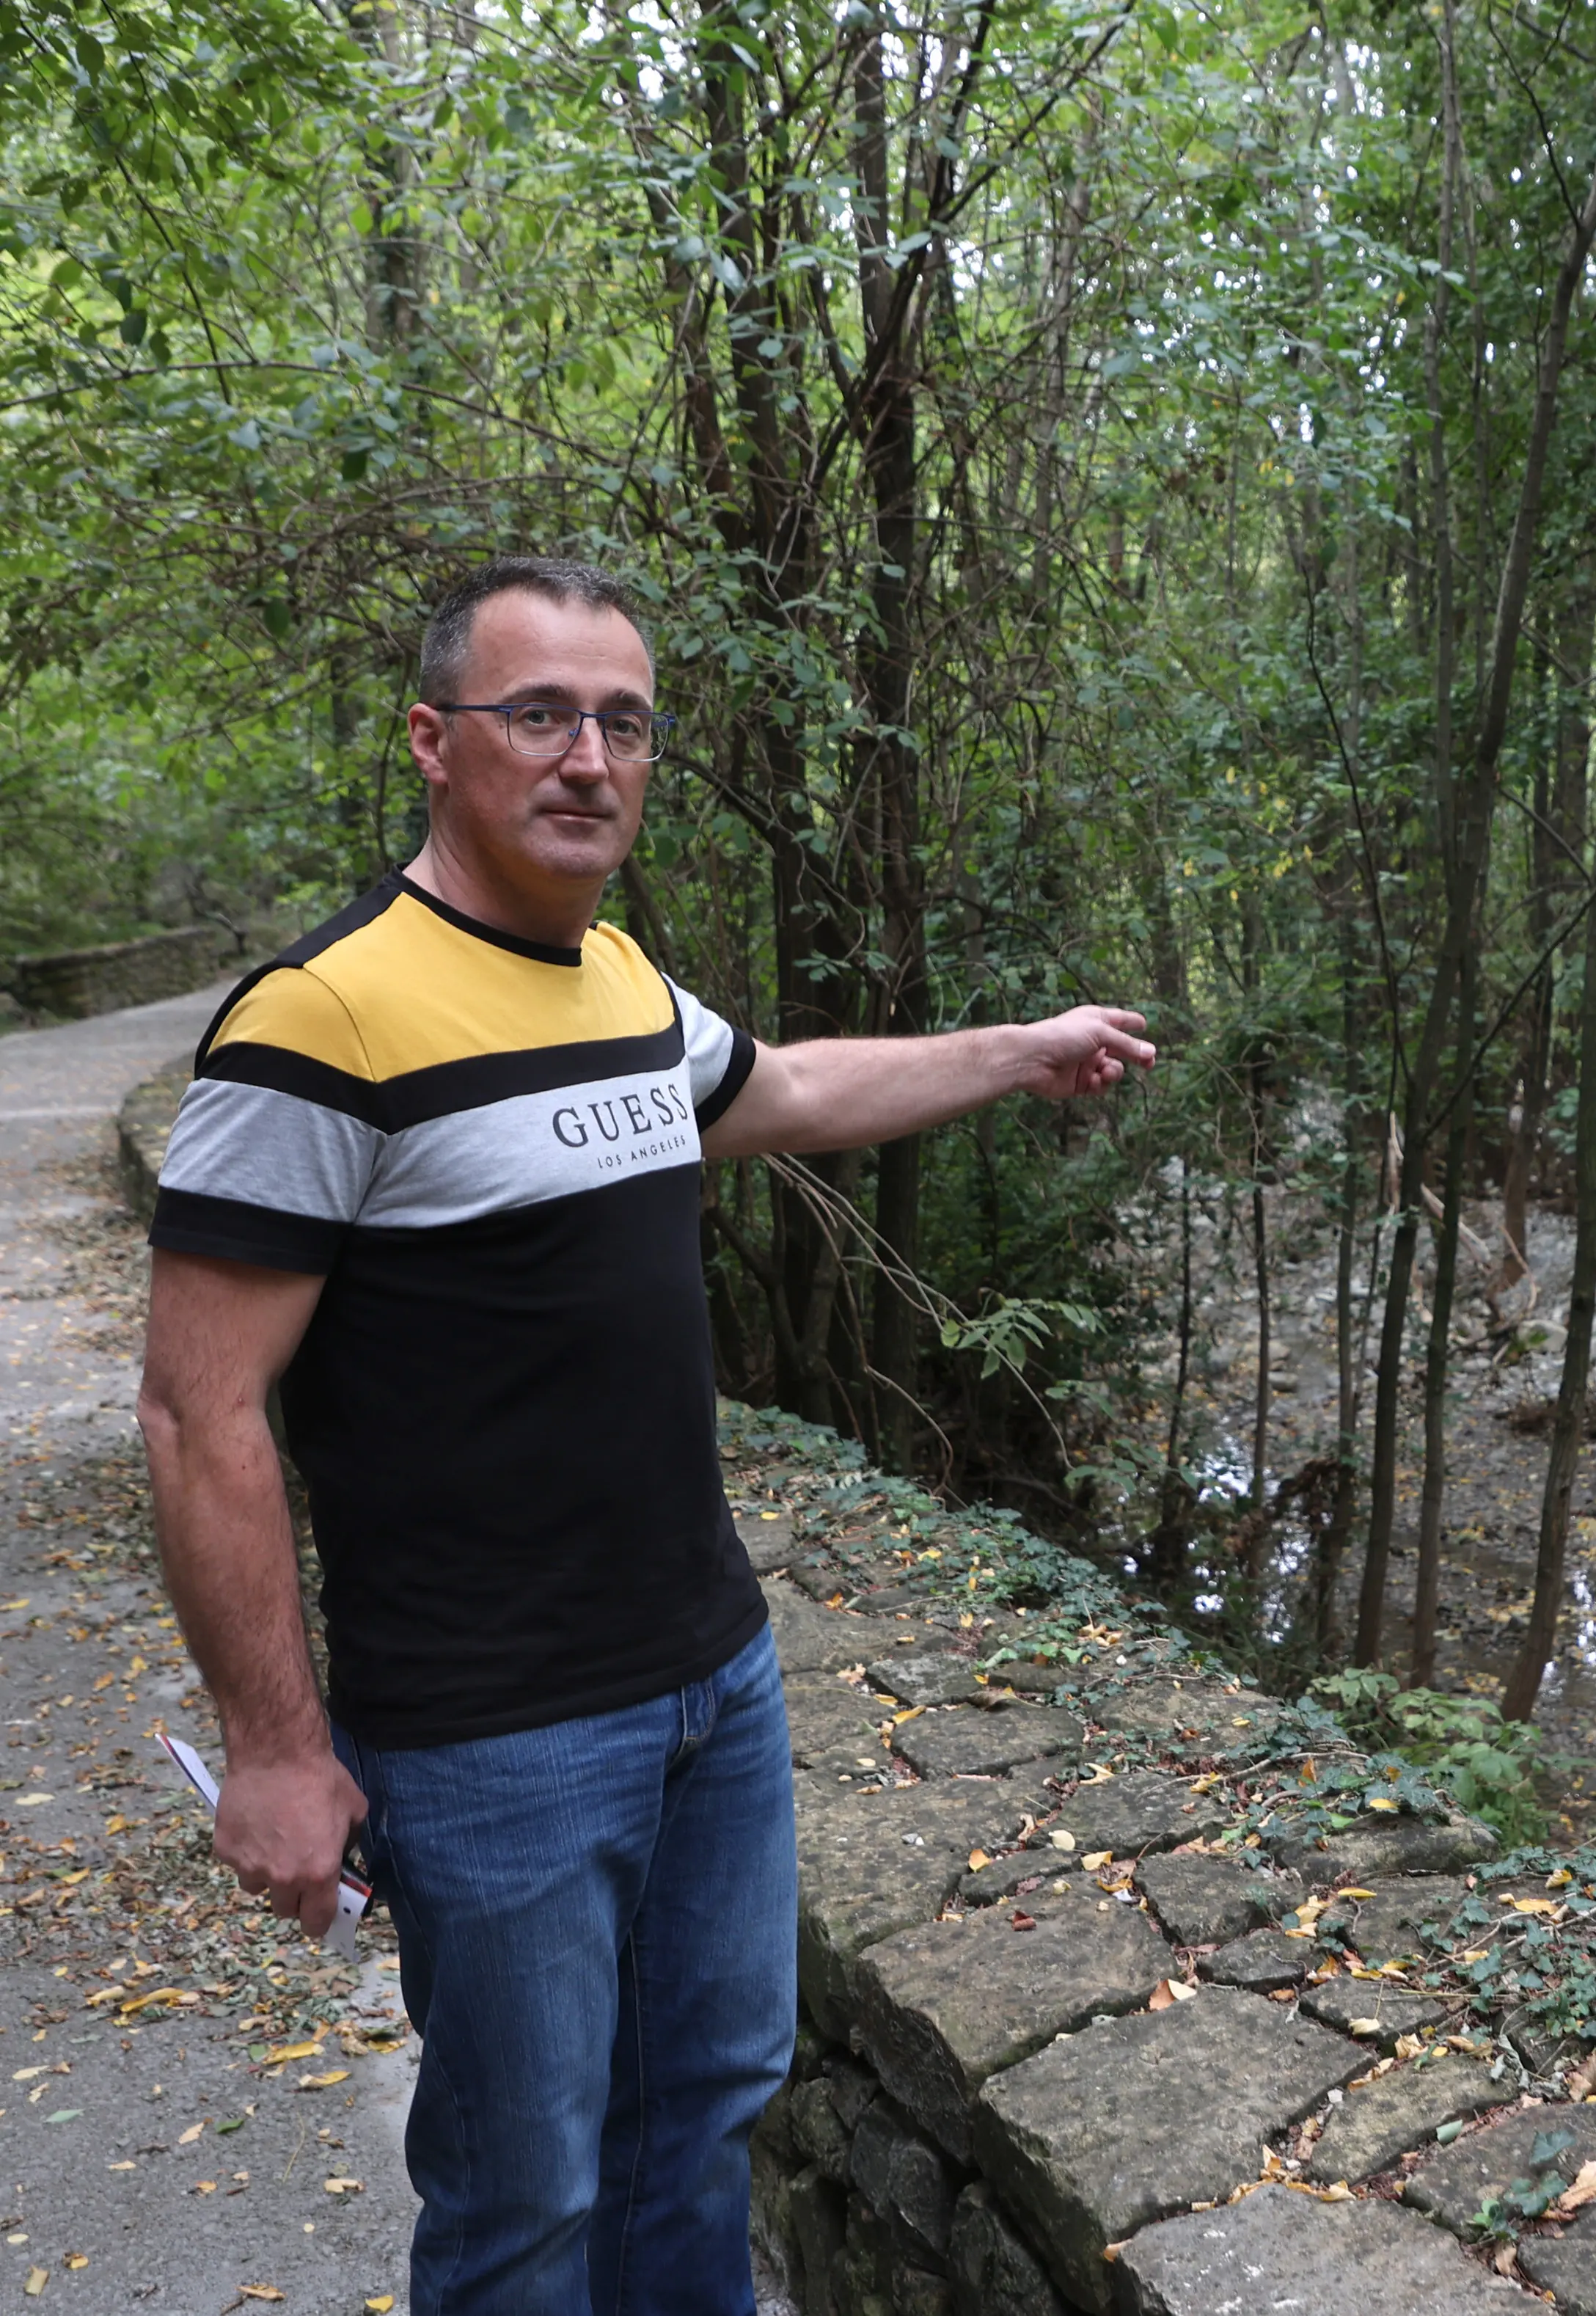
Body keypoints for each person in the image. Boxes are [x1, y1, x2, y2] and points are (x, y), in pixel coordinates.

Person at [134, 555, 1152, 2313]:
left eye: (621, 722)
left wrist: (1019, 1048)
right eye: (539, 713)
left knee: (700, 2127)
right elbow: (195, 1408)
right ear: (433, 742)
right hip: (489, 1736)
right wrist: (278, 1753)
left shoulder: (613, 982)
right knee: (523, 2198)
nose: (587, 756)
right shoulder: (320, 1026)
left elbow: (794, 1091)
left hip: (713, 1689)